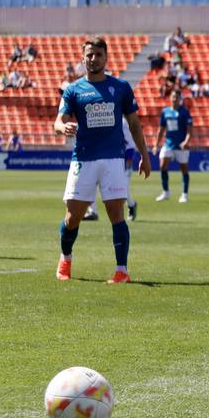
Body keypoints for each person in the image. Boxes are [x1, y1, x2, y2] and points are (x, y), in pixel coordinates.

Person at [53, 36, 151, 284]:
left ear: (106, 57)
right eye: (89, 54)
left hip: (113, 160)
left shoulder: (121, 87)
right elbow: (58, 121)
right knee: (72, 217)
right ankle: (65, 259)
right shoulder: (73, 89)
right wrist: (62, 128)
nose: (94, 59)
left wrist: (145, 155)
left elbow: (135, 124)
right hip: (83, 159)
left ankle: (122, 270)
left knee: (116, 214)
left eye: (98, 54)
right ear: (83, 58)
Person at [154, 91, 192, 204]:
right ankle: (166, 192)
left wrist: (186, 141)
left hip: (181, 145)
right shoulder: (165, 111)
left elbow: (190, 130)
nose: (174, 99)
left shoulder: (185, 112)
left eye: (176, 97)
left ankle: (184, 194)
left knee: (183, 168)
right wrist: (156, 144)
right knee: (162, 166)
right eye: (173, 97)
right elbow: (161, 129)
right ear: (170, 98)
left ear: (180, 99)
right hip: (168, 144)